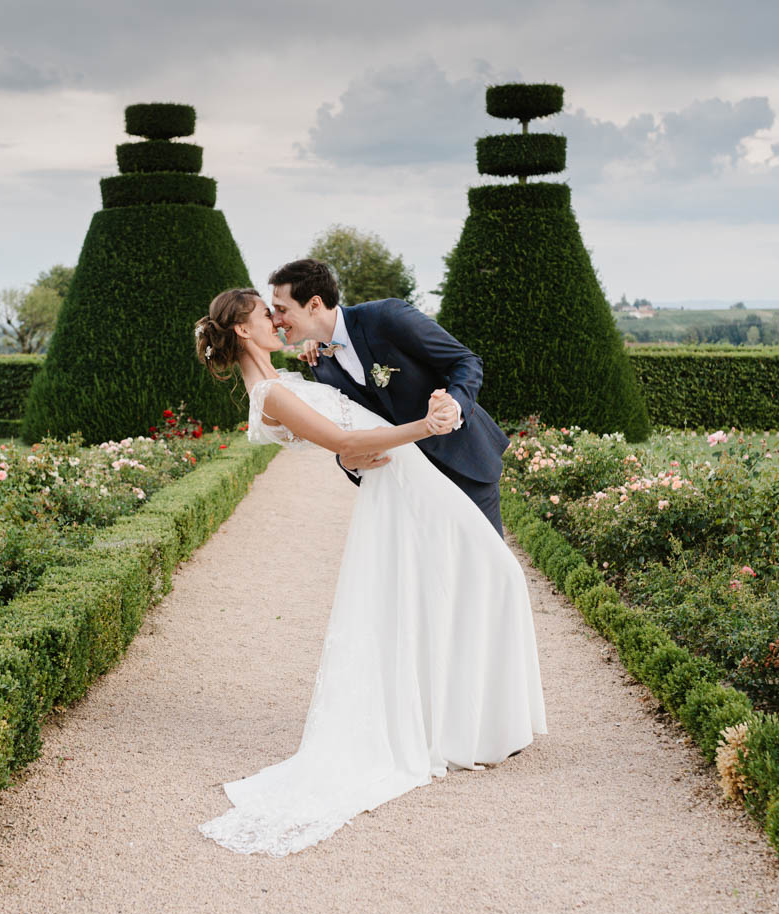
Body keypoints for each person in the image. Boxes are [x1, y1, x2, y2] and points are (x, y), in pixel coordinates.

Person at [193, 286, 546, 858]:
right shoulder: (270, 394)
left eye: (279, 309)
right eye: (266, 314)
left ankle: (479, 723)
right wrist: (424, 429)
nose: (277, 320)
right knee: (492, 578)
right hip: (405, 477)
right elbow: (346, 439)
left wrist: (320, 357)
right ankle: (473, 728)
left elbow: (348, 406)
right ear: (241, 329)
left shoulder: (290, 373)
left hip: (410, 480)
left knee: (477, 583)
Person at [269, 257, 511, 535]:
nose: (275, 319)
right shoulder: (320, 363)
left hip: (462, 462)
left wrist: (453, 407)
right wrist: (346, 461)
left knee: (483, 566)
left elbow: (465, 361)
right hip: (406, 484)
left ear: (314, 304)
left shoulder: (385, 317)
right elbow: (344, 430)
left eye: (281, 309)